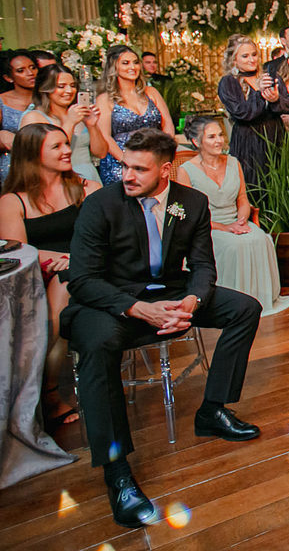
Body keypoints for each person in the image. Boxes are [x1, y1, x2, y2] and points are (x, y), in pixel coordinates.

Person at [64, 128, 262, 529]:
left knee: (245, 308)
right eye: (125, 166)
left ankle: (212, 410)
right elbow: (82, 279)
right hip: (110, 300)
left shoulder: (192, 202)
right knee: (98, 345)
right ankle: (116, 471)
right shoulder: (100, 204)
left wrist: (192, 302)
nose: (128, 175)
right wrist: (141, 310)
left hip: (171, 294)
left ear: (166, 170)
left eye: (140, 168)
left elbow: (203, 266)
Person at [0, 124, 102, 429]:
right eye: (57, 146)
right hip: (35, 277)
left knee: (66, 282)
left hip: (85, 271)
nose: (67, 151)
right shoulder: (12, 202)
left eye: (66, 144)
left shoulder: (87, 188)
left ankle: (45, 394)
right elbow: (19, 252)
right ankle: (40, 393)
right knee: (61, 282)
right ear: (33, 154)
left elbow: (102, 240)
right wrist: (56, 259)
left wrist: (72, 260)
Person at [177, 117, 289, 315]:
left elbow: (242, 198)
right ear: (197, 142)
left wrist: (242, 219)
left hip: (236, 221)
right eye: (212, 136)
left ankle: (260, 298)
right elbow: (189, 214)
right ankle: (232, 303)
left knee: (261, 238)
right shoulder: (185, 171)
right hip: (207, 227)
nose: (219, 140)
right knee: (234, 245)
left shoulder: (233, 162)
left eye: (221, 135)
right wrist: (225, 228)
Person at [95, 45, 175, 185]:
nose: (133, 67)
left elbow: (167, 123)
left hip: (154, 159)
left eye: (135, 62)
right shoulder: (105, 99)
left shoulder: (151, 92)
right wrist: (127, 162)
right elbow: (105, 136)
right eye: (125, 63)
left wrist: (164, 152)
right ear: (114, 67)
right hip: (120, 165)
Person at [216, 36, 282, 204]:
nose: (251, 59)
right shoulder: (229, 82)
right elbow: (242, 113)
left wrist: (275, 100)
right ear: (234, 60)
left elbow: (286, 106)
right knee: (253, 189)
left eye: (254, 54)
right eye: (245, 56)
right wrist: (260, 93)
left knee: (277, 188)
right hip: (249, 143)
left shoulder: (268, 76)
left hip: (275, 138)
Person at [21, 63, 106, 182]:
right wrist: (70, 122)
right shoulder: (33, 117)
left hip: (89, 177)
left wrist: (92, 125)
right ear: (45, 88)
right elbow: (47, 154)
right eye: (61, 86)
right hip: (58, 180)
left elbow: (101, 153)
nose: (69, 91)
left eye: (72, 85)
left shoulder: (79, 113)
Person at [1, 49, 37, 181]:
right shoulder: (2, 101)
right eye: (21, 70)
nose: (30, 73)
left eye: (33, 67)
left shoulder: (47, 97)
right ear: (8, 78)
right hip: (13, 166)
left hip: (46, 163)